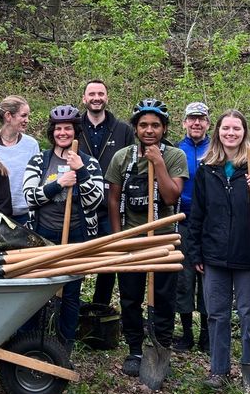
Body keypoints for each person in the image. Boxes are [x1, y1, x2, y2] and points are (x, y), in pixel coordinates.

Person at [182, 110, 250, 388]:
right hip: (214, 255)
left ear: (244, 133)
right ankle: (218, 370)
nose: (231, 133)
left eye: (237, 128)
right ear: (218, 132)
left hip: (248, 256)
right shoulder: (206, 168)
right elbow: (197, 213)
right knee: (216, 314)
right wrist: (196, 252)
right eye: (226, 128)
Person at [104, 100, 189, 377]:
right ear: (135, 128)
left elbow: (171, 196)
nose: (149, 130)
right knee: (130, 296)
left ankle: (161, 346)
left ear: (164, 128)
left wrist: (159, 164)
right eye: (143, 125)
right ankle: (135, 348)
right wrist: (118, 238)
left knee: (164, 296)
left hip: (163, 239)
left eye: (155, 125)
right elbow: (114, 199)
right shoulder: (122, 157)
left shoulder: (175, 156)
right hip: (133, 239)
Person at [23, 104, 105, 347]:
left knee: (70, 292)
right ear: (52, 132)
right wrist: (58, 183)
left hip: (76, 235)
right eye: (58, 129)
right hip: (42, 234)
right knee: (37, 288)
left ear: (75, 131)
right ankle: (28, 339)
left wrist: (80, 172)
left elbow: (95, 200)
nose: (63, 133)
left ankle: (64, 343)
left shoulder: (89, 163)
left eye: (68, 129)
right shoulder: (39, 160)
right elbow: (29, 196)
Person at [79, 80, 135, 309]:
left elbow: (132, 163)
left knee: (109, 260)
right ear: (84, 99)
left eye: (101, 93)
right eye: (91, 93)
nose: (96, 97)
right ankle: (73, 308)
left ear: (107, 97)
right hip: (79, 206)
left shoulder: (123, 130)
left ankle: (100, 308)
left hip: (111, 205)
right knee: (76, 256)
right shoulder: (73, 127)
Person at [174, 102, 211, 352]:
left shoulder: (217, 150)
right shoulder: (177, 151)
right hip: (183, 220)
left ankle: (208, 335)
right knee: (183, 277)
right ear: (185, 122)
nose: (196, 123)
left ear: (208, 123)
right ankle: (186, 334)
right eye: (192, 119)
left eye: (201, 119)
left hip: (211, 224)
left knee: (208, 278)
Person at [0, 96, 40, 222]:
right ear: (8, 116)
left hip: (26, 213)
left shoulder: (31, 144)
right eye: (23, 115)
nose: (27, 120)